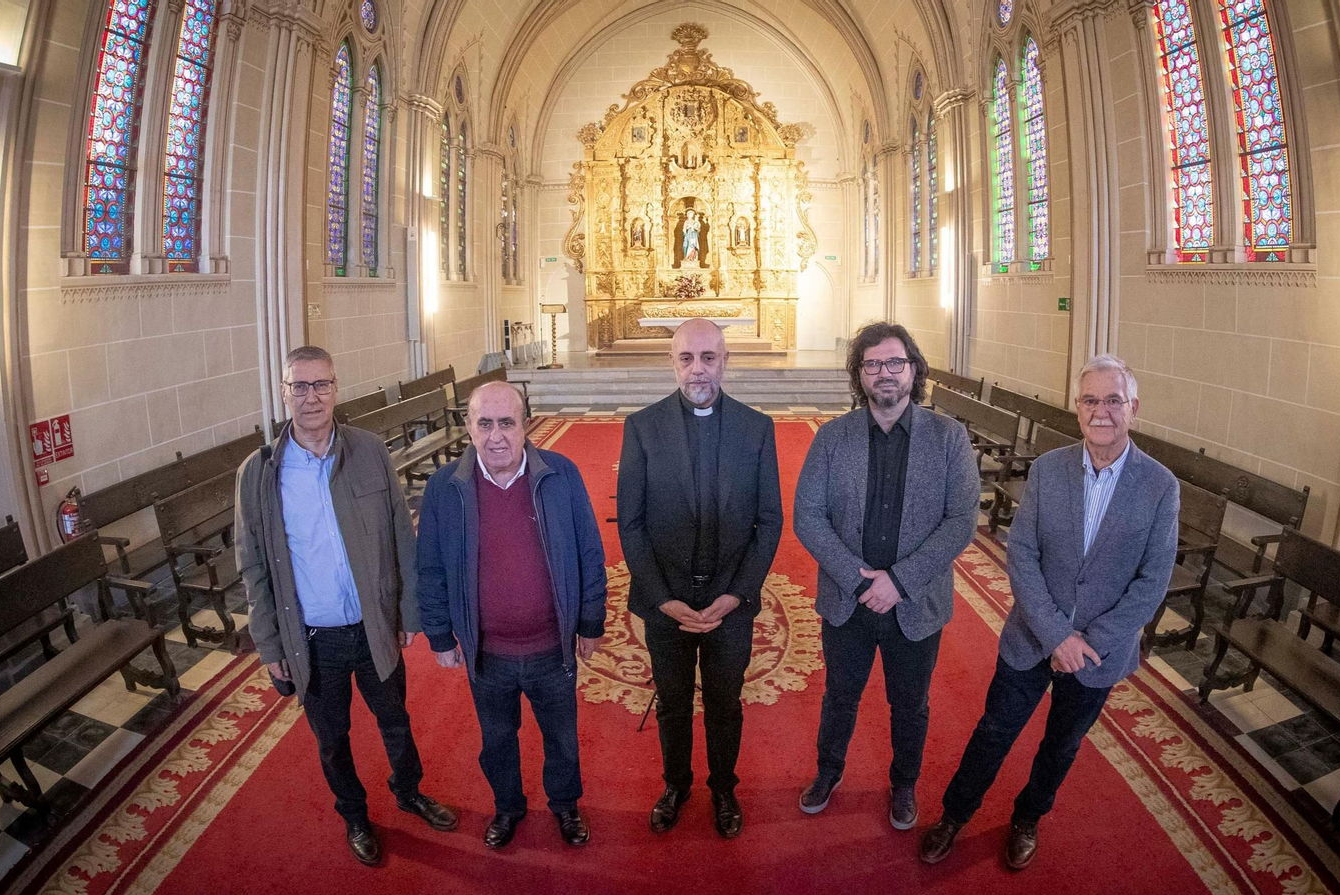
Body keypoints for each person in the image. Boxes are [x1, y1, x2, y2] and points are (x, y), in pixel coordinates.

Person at [919, 354, 1179, 868]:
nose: (1100, 411)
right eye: (1090, 400)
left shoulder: (1160, 486)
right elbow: (1024, 554)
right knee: (994, 731)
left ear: (1134, 408)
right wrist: (1057, 634)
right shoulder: (1049, 469)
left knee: (1061, 745)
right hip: (1032, 636)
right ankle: (954, 814)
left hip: (1098, 655)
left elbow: (1152, 582)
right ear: (1077, 408)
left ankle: (1027, 818)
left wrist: (1088, 643)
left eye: (1113, 400)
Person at [235, 346, 455, 867]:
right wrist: (269, 644)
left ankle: (408, 791)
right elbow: (253, 565)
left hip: (373, 625)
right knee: (332, 739)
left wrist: (407, 611)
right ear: (283, 392)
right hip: (312, 636)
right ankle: (355, 815)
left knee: (395, 719)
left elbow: (402, 535)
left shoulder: (369, 450)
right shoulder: (259, 473)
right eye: (299, 387)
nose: (311, 398)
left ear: (336, 387)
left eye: (321, 385)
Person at [793, 322, 979, 831]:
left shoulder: (948, 438)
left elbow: (961, 520)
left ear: (914, 370)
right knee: (840, 695)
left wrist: (898, 581)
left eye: (895, 363)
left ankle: (903, 784)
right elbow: (807, 515)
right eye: (872, 365)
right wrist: (860, 581)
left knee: (909, 703)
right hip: (847, 600)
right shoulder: (832, 437)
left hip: (914, 602)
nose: (885, 373)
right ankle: (828, 772)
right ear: (860, 375)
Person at [417, 381, 607, 850]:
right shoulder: (446, 488)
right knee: (497, 739)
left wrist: (591, 622)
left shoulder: (560, 474)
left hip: (551, 645)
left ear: (526, 425)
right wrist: (440, 635)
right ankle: (508, 807)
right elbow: (431, 566)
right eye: (485, 423)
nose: (496, 435)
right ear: (468, 427)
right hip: (488, 653)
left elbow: (589, 551)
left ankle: (564, 804)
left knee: (561, 738)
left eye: (507, 423)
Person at [617, 318, 782, 838]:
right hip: (666, 601)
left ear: (726, 361)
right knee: (671, 701)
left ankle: (724, 787)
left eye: (709, 357)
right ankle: (676, 783)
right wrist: (661, 599)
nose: (698, 370)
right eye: (687, 358)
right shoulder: (642, 428)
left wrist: (738, 594)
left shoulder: (757, 428)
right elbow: (631, 521)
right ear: (672, 362)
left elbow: (770, 520)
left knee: (724, 703)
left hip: (729, 601)